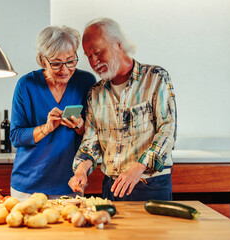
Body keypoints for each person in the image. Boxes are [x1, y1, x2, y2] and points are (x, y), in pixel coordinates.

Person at [68, 18, 177, 201]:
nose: (93, 61)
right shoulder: (95, 92)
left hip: (149, 185)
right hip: (111, 187)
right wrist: (80, 170)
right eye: (88, 55)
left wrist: (138, 168)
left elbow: (167, 130)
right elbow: (91, 140)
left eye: (97, 52)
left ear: (118, 44)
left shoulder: (156, 78)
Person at [9, 25, 96, 201]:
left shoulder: (86, 82)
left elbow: (94, 134)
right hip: (27, 185)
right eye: (56, 63)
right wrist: (46, 128)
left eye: (70, 61)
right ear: (42, 60)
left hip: (70, 183)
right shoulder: (26, 85)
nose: (64, 70)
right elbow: (16, 136)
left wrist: (79, 124)